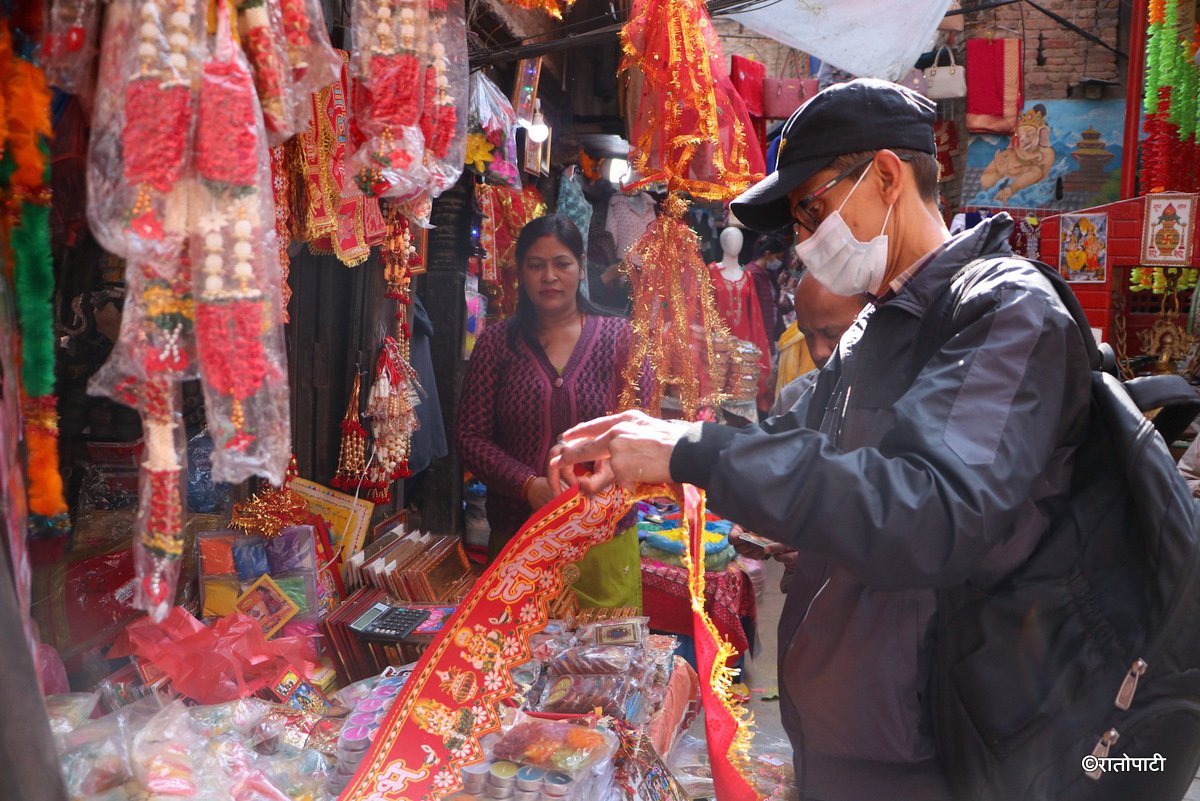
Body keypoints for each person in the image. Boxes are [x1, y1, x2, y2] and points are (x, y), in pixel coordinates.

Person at [549, 79, 1092, 801]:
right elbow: (795, 447)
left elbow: (930, 513)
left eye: (811, 208)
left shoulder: (1007, 312)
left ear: (889, 177)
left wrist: (690, 449)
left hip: (945, 752)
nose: (806, 241)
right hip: (857, 736)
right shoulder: (880, 322)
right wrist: (655, 449)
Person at [457, 214, 642, 609]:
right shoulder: (496, 344)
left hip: (602, 540)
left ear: (580, 265)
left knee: (607, 665)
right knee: (516, 666)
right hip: (519, 540)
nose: (550, 276)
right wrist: (529, 485)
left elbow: (639, 425)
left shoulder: (618, 338)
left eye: (562, 263)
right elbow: (470, 439)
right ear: (520, 272)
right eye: (536, 265)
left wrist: (604, 473)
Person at [771, 272, 867, 415]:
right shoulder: (792, 403)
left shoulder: (900, 401)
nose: (817, 353)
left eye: (831, 334)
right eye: (808, 336)